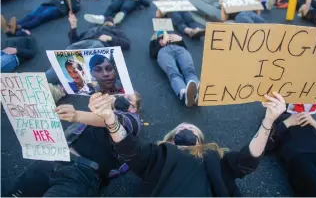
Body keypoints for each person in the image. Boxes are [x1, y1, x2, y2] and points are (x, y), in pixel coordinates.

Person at [90, 91, 287, 196]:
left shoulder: (216, 159)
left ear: (201, 143)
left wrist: (268, 121)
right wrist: (110, 119)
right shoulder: (158, 155)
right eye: (181, 129)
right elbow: (130, 150)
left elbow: (247, 161)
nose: (187, 128)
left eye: (193, 129)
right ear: (170, 139)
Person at [5, 93, 142, 197]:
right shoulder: (92, 115)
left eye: (129, 99)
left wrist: (77, 115)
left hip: (82, 172)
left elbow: (112, 121)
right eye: (119, 94)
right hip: (53, 158)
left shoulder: (133, 120)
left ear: (133, 108)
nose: (120, 98)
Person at [46, 14, 131, 101]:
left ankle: (59, 87)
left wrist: (110, 38)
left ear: (113, 24)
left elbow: (126, 44)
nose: (108, 23)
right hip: (81, 43)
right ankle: (43, 81)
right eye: (106, 21)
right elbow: (74, 40)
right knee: (61, 61)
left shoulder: (116, 31)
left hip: (99, 45)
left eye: (110, 22)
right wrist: (73, 27)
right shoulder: (93, 29)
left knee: (88, 53)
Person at [149, 31, 199, 107]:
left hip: (180, 49)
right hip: (164, 51)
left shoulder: (174, 36)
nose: (163, 33)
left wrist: (181, 39)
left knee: (189, 70)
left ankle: (196, 92)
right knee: (173, 72)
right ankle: (184, 93)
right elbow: (152, 54)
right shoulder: (154, 41)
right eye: (161, 33)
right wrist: (162, 43)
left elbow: (185, 48)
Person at [1, 0, 80, 34]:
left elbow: (73, 9)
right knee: (31, 15)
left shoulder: (76, 2)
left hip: (58, 9)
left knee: (40, 16)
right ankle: (11, 26)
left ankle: (19, 26)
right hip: (49, 4)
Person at [84, 0, 150, 25]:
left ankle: (118, 17)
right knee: (112, 6)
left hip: (131, 0)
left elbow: (147, 3)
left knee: (126, 7)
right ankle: (102, 17)